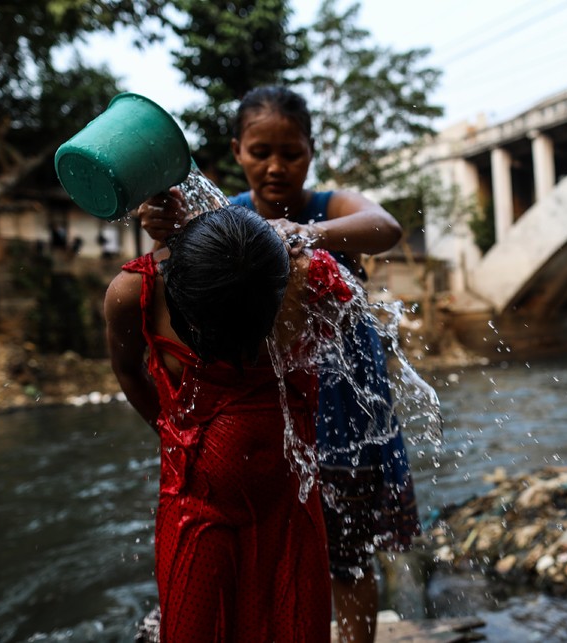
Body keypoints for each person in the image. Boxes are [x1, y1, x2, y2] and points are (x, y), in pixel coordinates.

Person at [139, 85, 421, 643]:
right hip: (273, 411)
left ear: (311, 152)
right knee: (275, 547)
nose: (274, 167)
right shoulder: (227, 217)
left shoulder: (329, 208)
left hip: (346, 408)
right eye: (260, 151)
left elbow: (385, 227)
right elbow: (181, 275)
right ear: (237, 151)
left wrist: (307, 234)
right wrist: (162, 227)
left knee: (349, 554)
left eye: (290, 153)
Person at [105, 204, 351, 641]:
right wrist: (174, 435)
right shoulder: (138, 289)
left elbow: (382, 228)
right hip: (196, 509)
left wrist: (308, 233)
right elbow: (128, 369)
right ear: (180, 293)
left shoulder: (307, 277)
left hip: (290, 506)